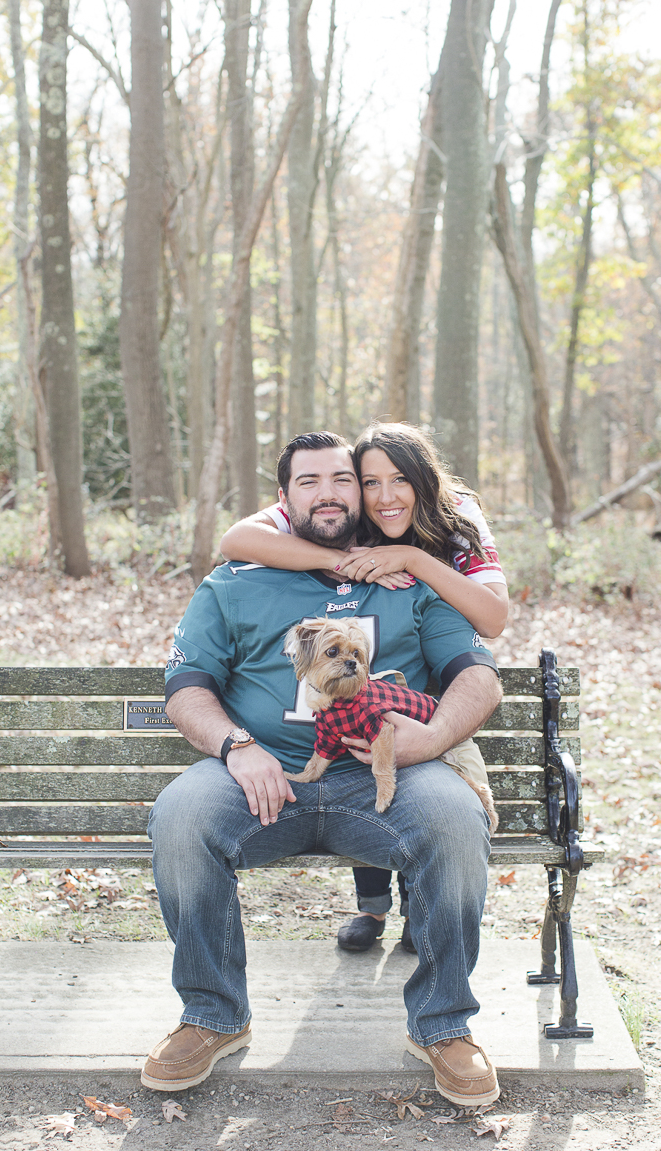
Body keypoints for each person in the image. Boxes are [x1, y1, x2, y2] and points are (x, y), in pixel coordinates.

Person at [143, 431, 503, 1107]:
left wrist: (435, 738)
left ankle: (443, 1025)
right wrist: (233, 746)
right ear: (282, 499)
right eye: (309, 481)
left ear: (361, 493)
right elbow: (187, 688)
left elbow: (478, 676)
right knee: (182, 815)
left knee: (454, 820)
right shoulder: (235, 582)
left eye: (343, 478)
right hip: (262, 777)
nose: (329, 492)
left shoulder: (406, 579)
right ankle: (212, 1015)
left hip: (387, 777)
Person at [219, 421, 509, 953]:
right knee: (362, 739)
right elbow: (235, 540)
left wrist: (414, 560)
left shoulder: (459, 512)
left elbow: (492, 618)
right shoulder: (344, 512)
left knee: (430, 777)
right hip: (375, 655)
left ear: (425, 481)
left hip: (443, 655)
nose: (383, 496)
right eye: (368, 482)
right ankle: (372, 909)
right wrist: (341, 561)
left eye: (398, 480)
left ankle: (424, 913)